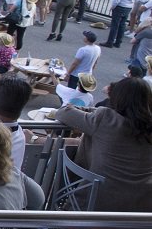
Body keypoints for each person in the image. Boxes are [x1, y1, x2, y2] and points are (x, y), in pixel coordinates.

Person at [55, 78, 152, 212]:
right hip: (141, 213)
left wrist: (90, 110)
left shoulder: (106, 118)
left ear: (118, 97)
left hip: (95, 209)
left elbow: (63, 112)